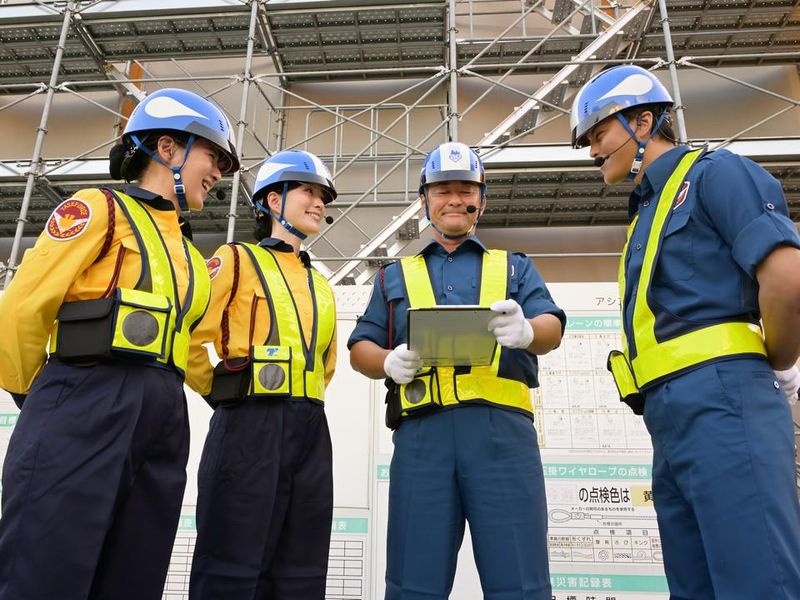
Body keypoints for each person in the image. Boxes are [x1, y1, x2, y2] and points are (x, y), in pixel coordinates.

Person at [571, 64, 800, 599]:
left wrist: (779, 359)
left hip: (725, 400)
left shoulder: (716, 173)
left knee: (756, 579)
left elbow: (787, 279)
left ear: (642, 122)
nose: (592, 151)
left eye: (598, 134)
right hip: (669, 417)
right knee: (694, 586)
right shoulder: (645, 213)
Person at [0, 87, 239, 600]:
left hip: (164, 416)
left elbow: (186, 347)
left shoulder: (194, 259)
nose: (219, 172)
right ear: (167, 148)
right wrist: (34, 394)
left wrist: (227, 395)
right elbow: (23, 306)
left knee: (135, 573)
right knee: (46, 568)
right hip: (86, 396)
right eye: (213, 156)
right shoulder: (98, 209)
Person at [348, 141, 565, 600]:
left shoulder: (515, 268)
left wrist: (527, 330)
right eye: (442, 190)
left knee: (520, 583)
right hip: (422, 440)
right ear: (424, 200)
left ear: (481, 200)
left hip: (503, 440)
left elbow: (552, 328)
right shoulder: (392, 275)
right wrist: (386, 361)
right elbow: (360, 347)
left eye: (465, 190)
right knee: (413, 585)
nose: (454, 199)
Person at [188, 149, 339, 599]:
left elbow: (325, 366)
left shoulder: (322, 284)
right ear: (274, 200)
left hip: (311, 428)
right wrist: (219, 390)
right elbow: (187, 333)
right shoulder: (236, 260)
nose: (319, 203)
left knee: (302, 565)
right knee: (231, 559)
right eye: (308, 192)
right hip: (249, 424)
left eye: (323, 197)